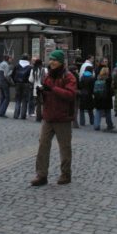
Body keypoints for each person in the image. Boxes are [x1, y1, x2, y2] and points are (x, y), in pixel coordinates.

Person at [30, 49, 77, 187]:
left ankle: (66, 174)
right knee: (43, 146)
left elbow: (70, 94)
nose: (51, 62)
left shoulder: (69, 77)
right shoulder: (48, 76)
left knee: (65, 148)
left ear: (61, 62)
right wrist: (42, 92)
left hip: (63, 118)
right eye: (50, 59)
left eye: (54, 60)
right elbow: (48, 92)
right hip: (48, 117)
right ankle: (41, 175)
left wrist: (53, 89)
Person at [92, 67, 114, 131]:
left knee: (98, 112)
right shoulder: (108, 80)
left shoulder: (97, 79)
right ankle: (109, 125)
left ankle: (96, 125)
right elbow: (111, 90)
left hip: (98, 98)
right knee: (108, 112)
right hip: (106, 98)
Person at [12, 54, 32, 120]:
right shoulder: (29, 67)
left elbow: (12, 75)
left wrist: (15, 82)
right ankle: (23, 115)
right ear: (27, 59)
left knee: (18, 100)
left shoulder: (17, 65)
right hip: (26, 84)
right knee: (24, 100)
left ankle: (16, 115)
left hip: (18, 84)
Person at [68, 64, 80, 128]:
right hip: (75, 93)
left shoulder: (67, 75)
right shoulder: (76, 76)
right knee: (75, 108)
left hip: (69, 93)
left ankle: (69, 121)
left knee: (70, 108)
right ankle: (75, 123)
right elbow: (79, 85)